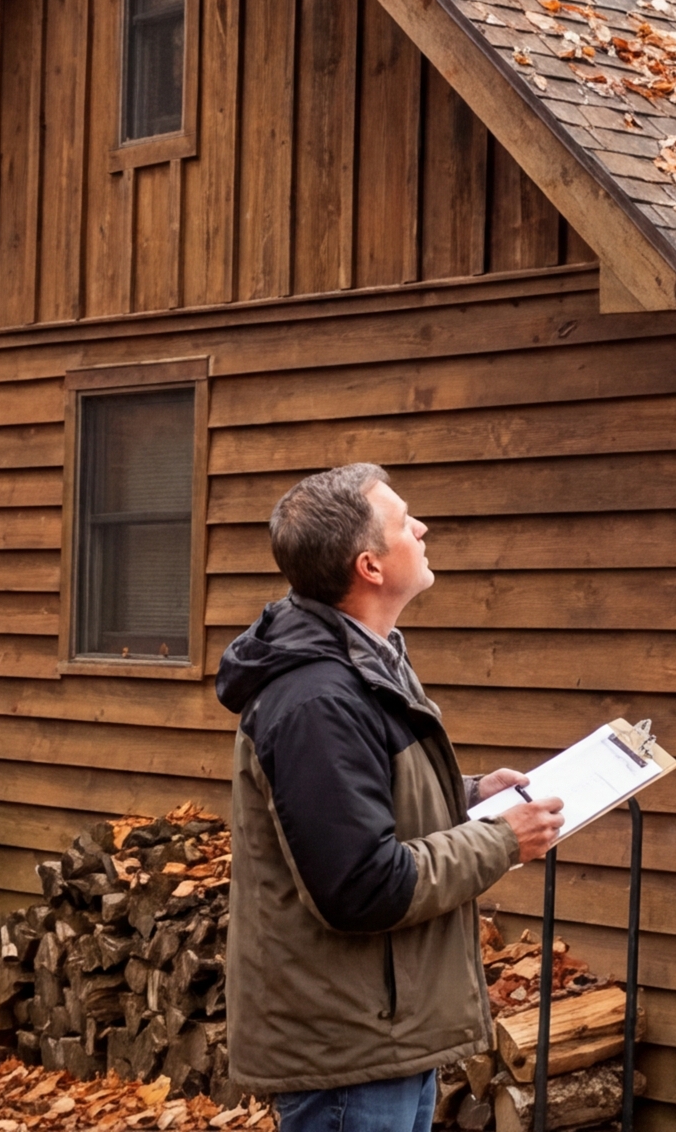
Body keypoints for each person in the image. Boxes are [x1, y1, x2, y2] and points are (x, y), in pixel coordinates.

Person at [217, 463, 565, 1132]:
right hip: (350, 1047)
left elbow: (364, 805)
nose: (423, 528)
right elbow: (361, 884)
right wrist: (500, 839)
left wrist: (468, 798)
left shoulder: (363, 662)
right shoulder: (316, 699)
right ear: (370, 566)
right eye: (406, 522)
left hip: (384, 1030)